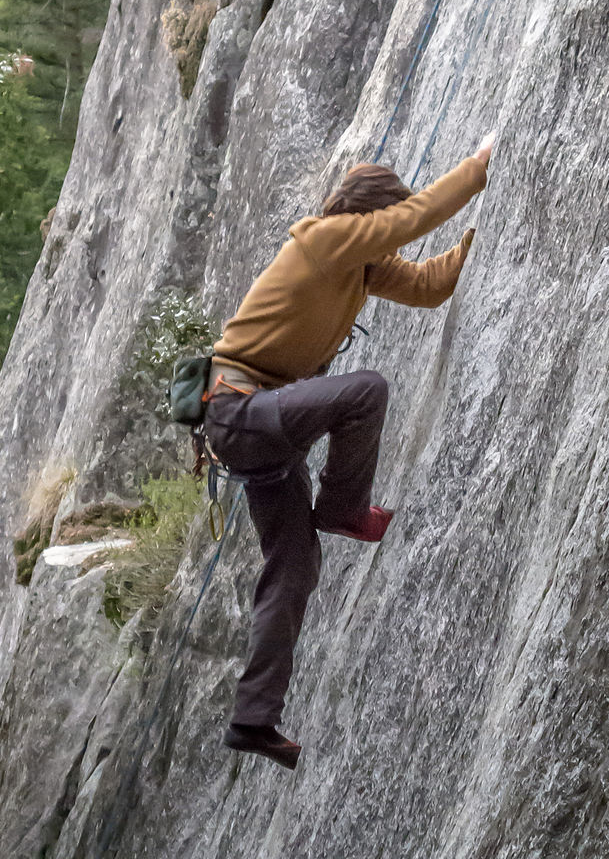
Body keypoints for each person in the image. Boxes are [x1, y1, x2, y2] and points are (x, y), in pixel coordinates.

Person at [205, 134, 495, 770]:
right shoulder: (325, 238)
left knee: (293, 566)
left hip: (263, 433)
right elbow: (413, 218)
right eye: (383, 227)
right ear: (366, 216)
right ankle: (342, 509)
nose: (389, 245)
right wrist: (477, 169)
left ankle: (253, 719)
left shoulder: (360, 267)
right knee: (365, 391)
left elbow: (429, 285)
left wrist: (483, 234)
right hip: (238, 411)